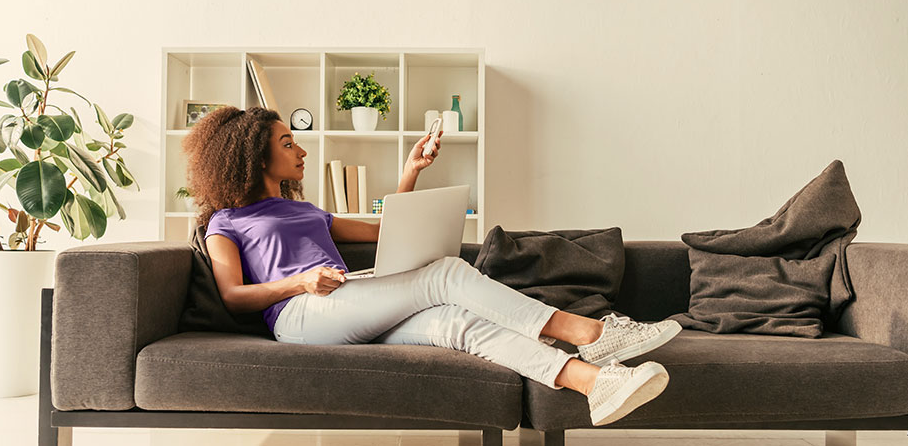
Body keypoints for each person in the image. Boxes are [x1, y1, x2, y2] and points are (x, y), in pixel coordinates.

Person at [183, 106, 681, 426]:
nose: (301, 149)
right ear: (255, 156)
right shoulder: (225, 222)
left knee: (456, 323)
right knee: (445, 273)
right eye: (288, 143)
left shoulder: (308, 211)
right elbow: (233, 296)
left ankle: (593, 383)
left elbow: (384, 230)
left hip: (349, 301)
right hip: (299, 317)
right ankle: (591, 333)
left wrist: (411, 171)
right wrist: (300, 282)